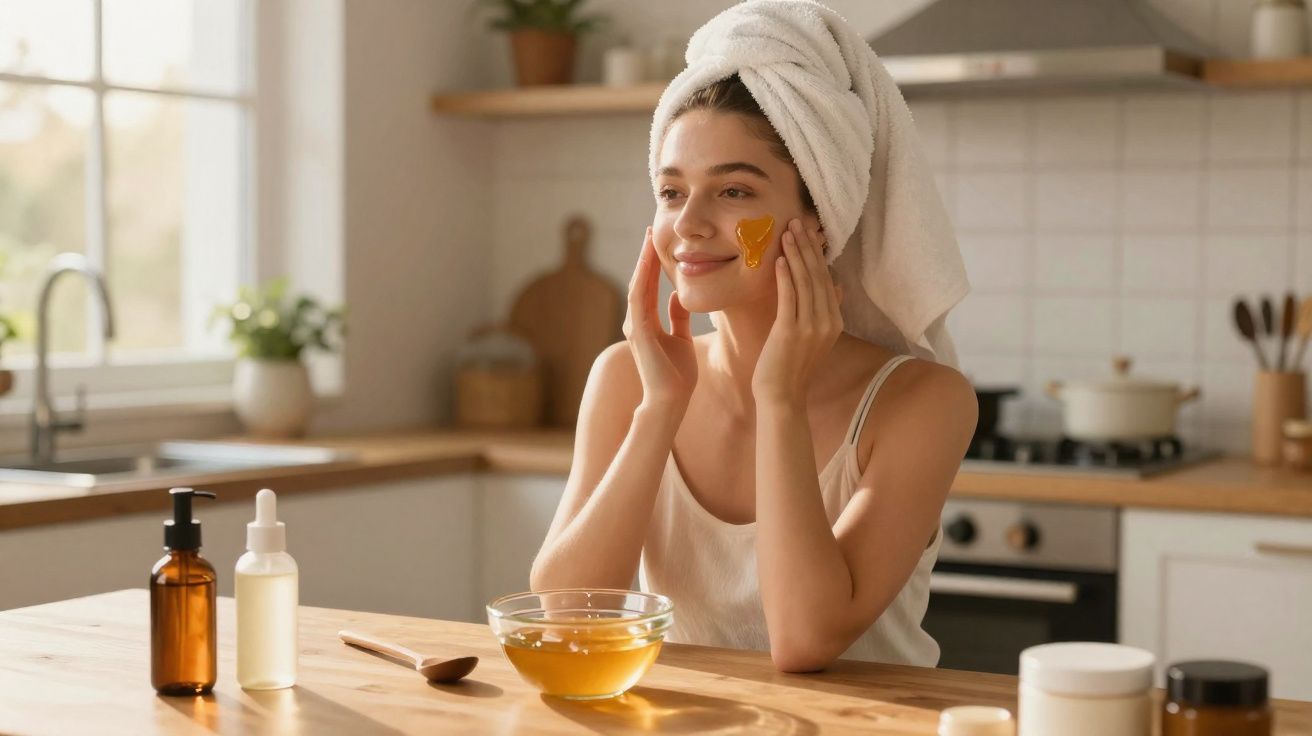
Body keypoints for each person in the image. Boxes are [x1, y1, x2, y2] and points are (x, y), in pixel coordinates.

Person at [529, 0, 976, 673]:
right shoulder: (628, 378)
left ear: (816, 219)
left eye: (734, 191)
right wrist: (659, 410)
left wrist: (781, 399)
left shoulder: (923, 401)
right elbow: (566, 615)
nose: (689, 225)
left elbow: (803, 640)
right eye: (672, 192)